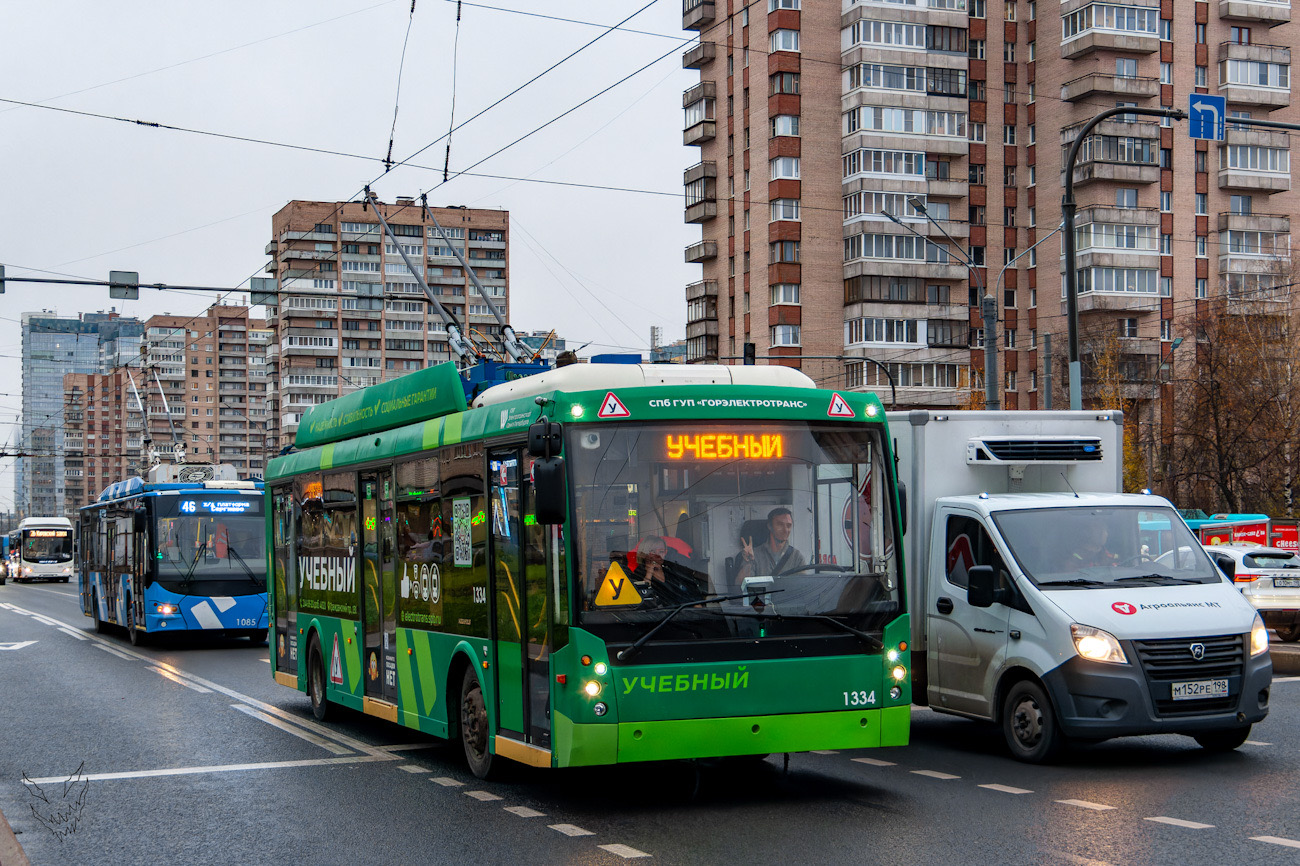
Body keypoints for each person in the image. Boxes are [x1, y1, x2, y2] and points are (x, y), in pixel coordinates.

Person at [631, 534, 704, 605]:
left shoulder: (672, 571)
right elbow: (642, 601)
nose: (658, 555)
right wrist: (649, 574)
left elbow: (695, 599)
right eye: (653, 552)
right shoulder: (637, 574)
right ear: (644, 553)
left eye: (661, 551)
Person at [737, 507, 807, 578]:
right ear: (770, 526)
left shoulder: (797, 556)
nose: (785, 530)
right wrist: (748, 563)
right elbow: (740, 585)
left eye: (788, 526)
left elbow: (803, 586)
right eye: (780, 524)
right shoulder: (754, 555)